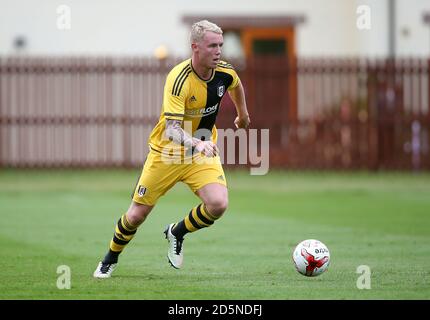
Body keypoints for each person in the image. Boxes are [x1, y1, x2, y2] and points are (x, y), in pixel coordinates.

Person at [93, 20, 250, 278]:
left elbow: (236, 85)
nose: (218, 51)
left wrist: (243, 114)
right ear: (195, 47)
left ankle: (177, 232)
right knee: (136, 216)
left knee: (218, 204)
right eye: (212, 45)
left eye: (220, 45)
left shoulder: (225, 71)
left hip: (199, 155)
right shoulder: (179, 79)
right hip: (167, 153)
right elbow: (172, 129)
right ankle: (110, 259)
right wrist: (198, 143)